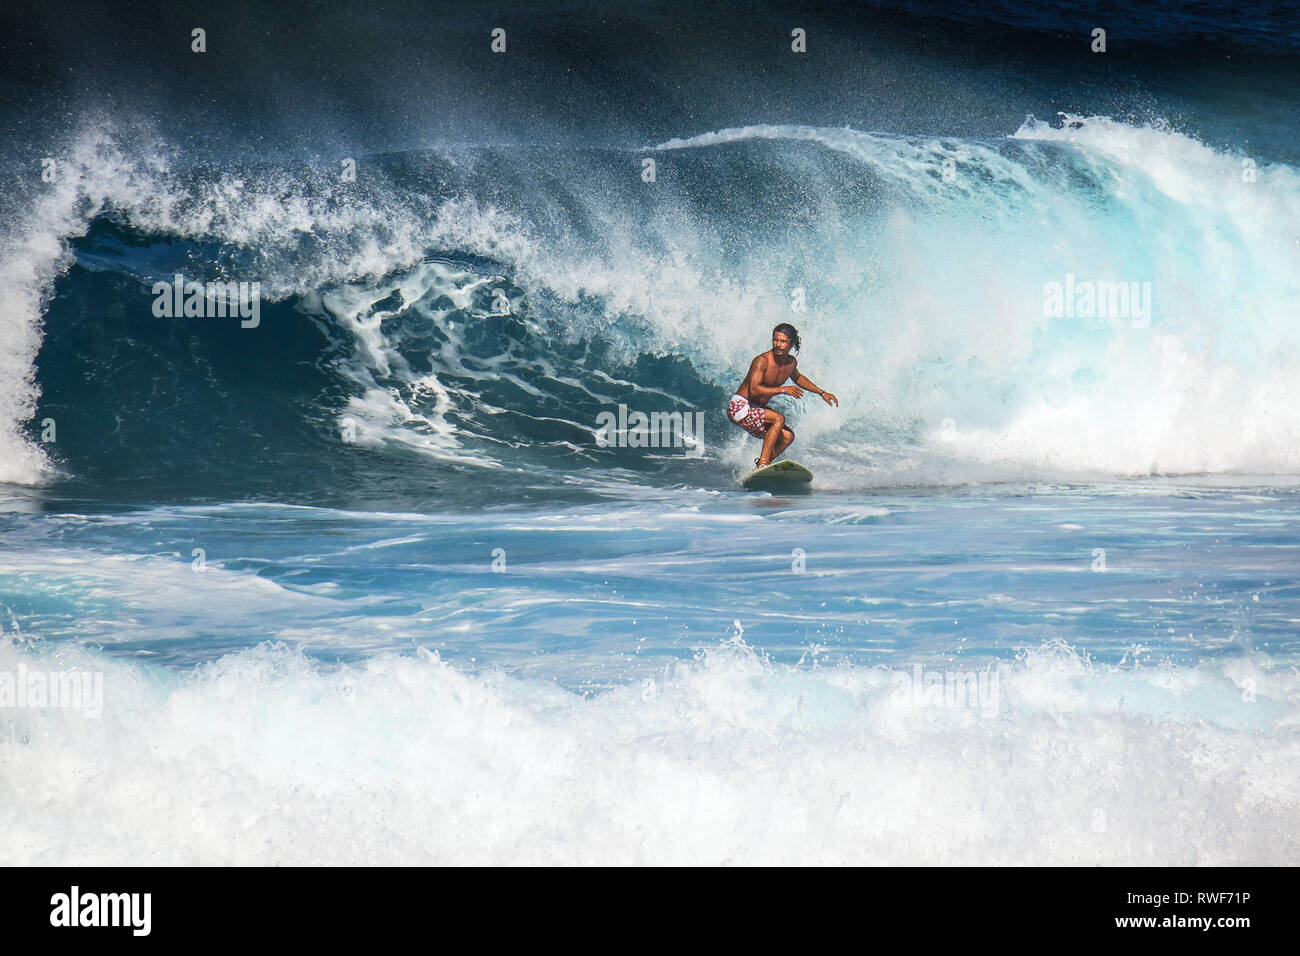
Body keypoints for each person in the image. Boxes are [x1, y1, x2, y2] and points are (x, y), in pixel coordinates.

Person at [726, 323, 838, 466]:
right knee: (779, 418)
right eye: (775, 340)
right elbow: (754, 389)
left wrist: (822, 393)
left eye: (783, 341)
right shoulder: (761, 361)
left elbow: (798, 378)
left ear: (791, 344)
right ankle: (763, 462)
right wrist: (783, 390)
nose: (778, 344)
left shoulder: (791, 363)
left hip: (756, 408)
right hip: (740, 407)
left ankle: (761, 465)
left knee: (787, 436)